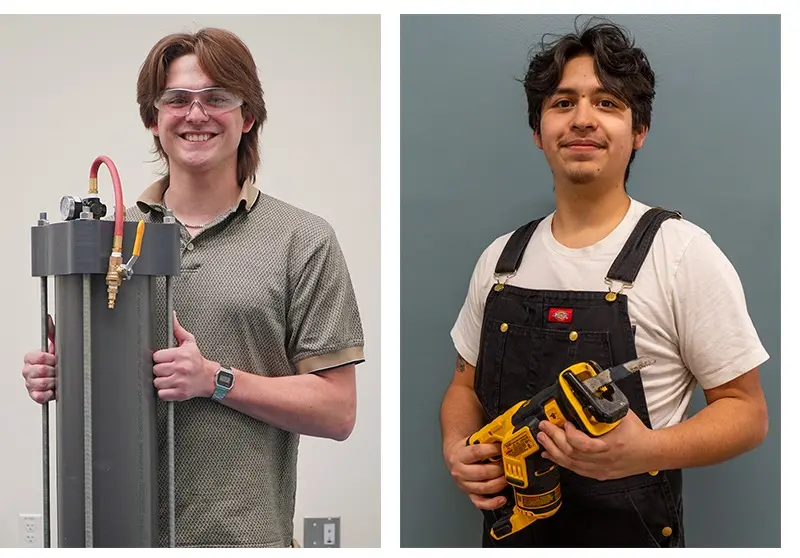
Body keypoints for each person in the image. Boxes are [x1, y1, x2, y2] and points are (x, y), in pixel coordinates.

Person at [20, 28, 365, 548]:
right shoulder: (107, 244)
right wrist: (61, 374)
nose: (196, 114)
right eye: (177, 100)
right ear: (152, 120)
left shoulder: (303, 239)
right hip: (116, 537)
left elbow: (338, 412)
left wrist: (214, 380)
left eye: (217, 98)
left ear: (247, 117)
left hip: (243, 540)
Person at [440, 19, 769, 548]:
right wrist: (459, 447)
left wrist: (646, 452)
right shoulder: (500, 260)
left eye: (608, 103)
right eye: (563, 102)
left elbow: (747, 412)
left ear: (638, 132)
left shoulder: (681, 253)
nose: (583, 120)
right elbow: (462, 387)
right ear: (538, 131)